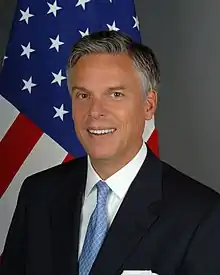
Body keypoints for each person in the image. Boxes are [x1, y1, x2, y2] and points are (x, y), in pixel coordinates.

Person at [1, 30, 220, 275]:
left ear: (149, 105)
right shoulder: (38, 194)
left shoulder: (201, 214)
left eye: (115, 94)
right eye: (83, 95)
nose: (95, 111)